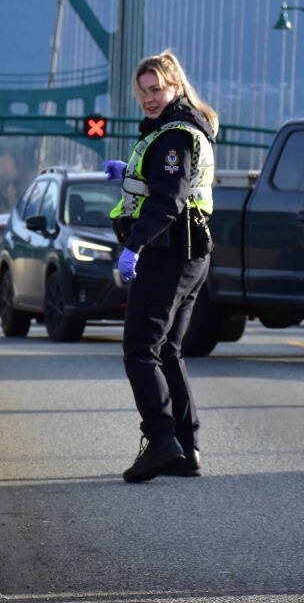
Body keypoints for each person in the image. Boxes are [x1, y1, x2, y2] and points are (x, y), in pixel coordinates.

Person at [107, 51, 218, 483]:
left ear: (175, 87)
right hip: (192, 255)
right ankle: (186, 449)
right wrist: (128, 174)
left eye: (157, 89)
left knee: (140, 349)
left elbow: (168, 200)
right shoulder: (183, 130)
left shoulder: (173, 135)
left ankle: (160, 441)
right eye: (142, 92)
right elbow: (168, 185)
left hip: (168, 253)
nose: (149, 99)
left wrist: (134, 245)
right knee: (169, 350)